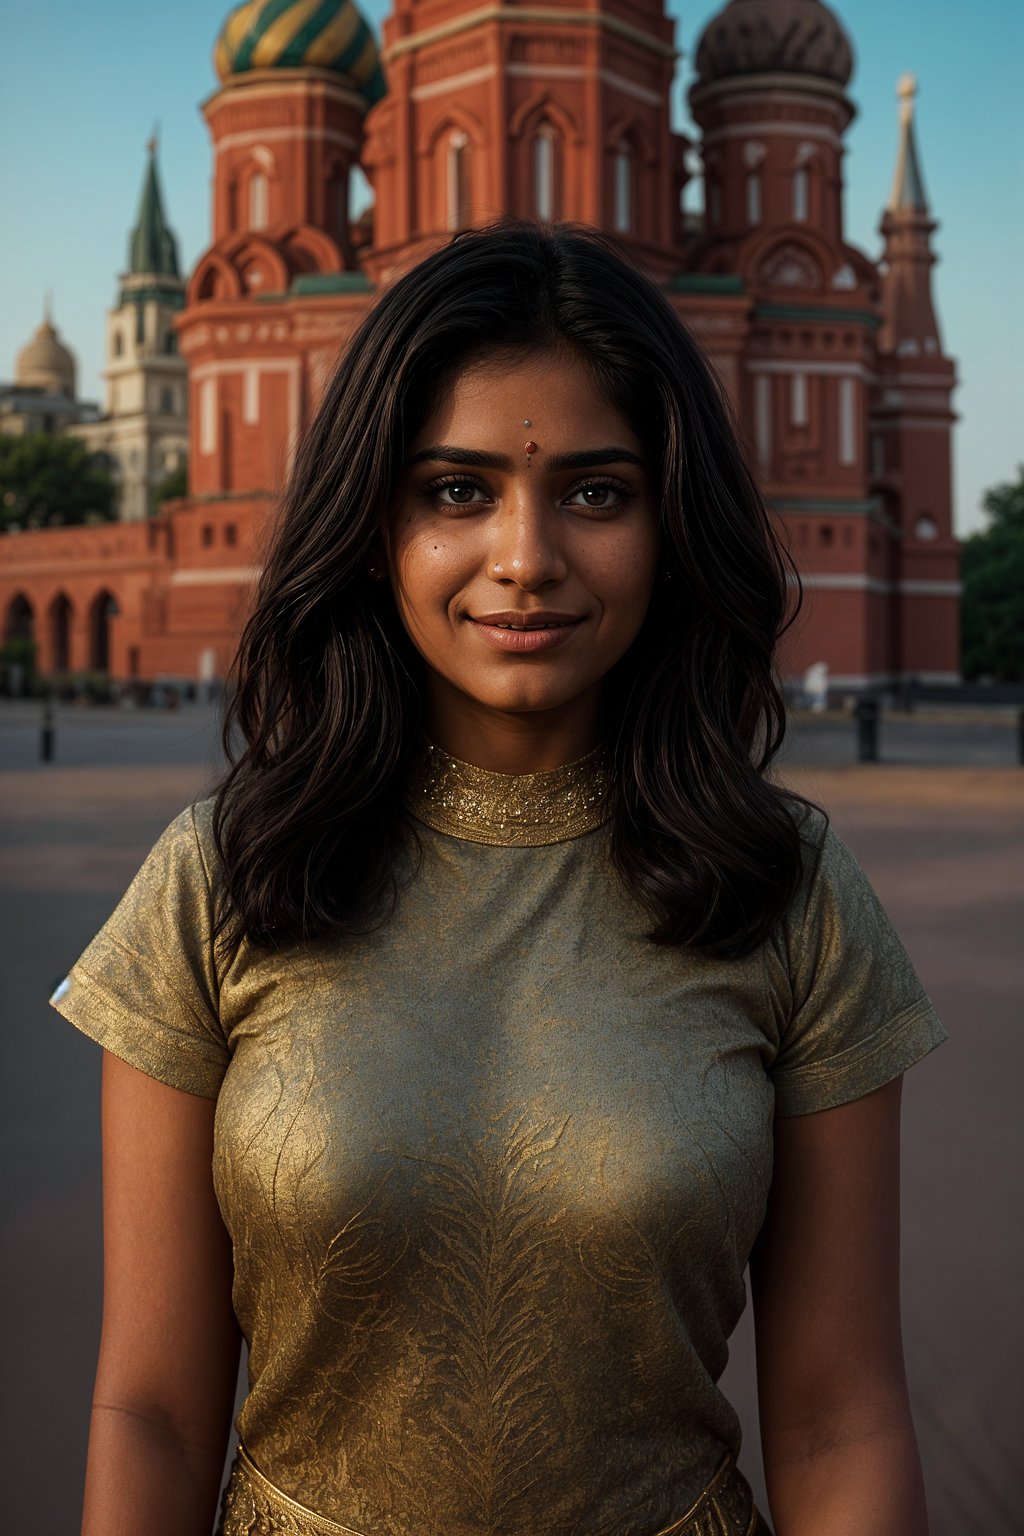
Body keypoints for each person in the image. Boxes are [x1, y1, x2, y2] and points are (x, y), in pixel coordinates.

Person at [51, 222, 945, 1536]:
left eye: (596, 492)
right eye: (457, 491)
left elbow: (839, 1418)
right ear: (373, 524)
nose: (526, 557)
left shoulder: (784, 890)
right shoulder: (223, 879)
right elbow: (154, 1413)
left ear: (669, 520)